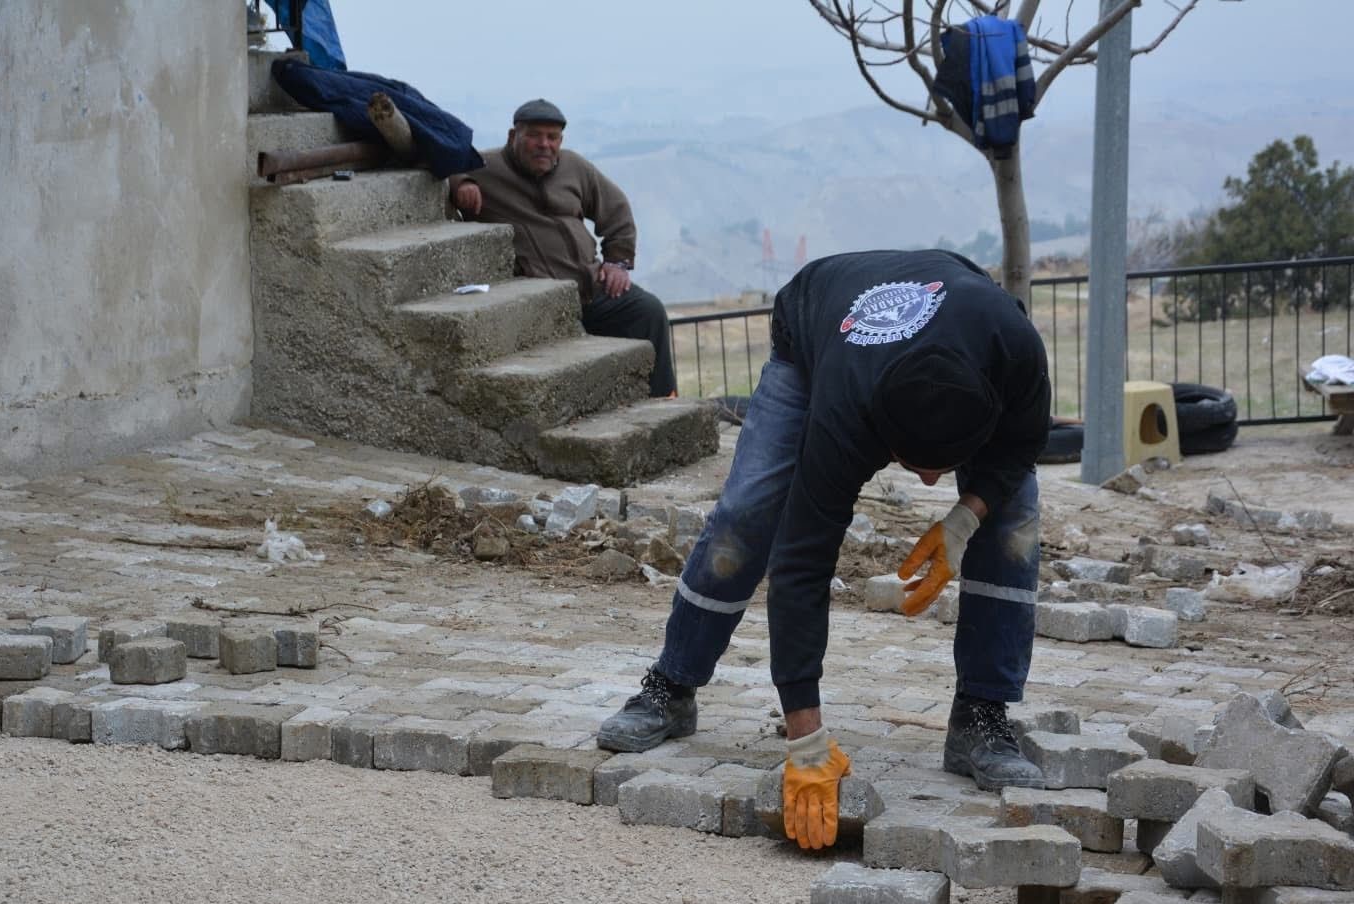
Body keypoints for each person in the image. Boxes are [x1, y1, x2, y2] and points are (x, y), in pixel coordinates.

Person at [596, 249, 1052, 850]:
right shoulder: (845, 412)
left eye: (944, 470)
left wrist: (967, 518)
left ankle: (981, 719)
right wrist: (805, 738)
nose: (930, 486)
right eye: (918, 468)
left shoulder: (1016, 351)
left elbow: (1023, 443)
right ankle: (670, 686)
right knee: (748, 514)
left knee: (1012, 521)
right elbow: (802, 562)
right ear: (880, 440)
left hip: (954, 306)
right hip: (816, 325)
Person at [448, 99, 677, 397]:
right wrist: (462, 182)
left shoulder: (574, 166)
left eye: (552, 137)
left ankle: (663, 400)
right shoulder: (485, 167)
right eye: (534, 135)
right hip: (545, 300)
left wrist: (617, 262)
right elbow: (442, 166)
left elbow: (616, 209)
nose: (544, 144)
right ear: (512, 136)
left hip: (593, 287)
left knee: (648, 311)